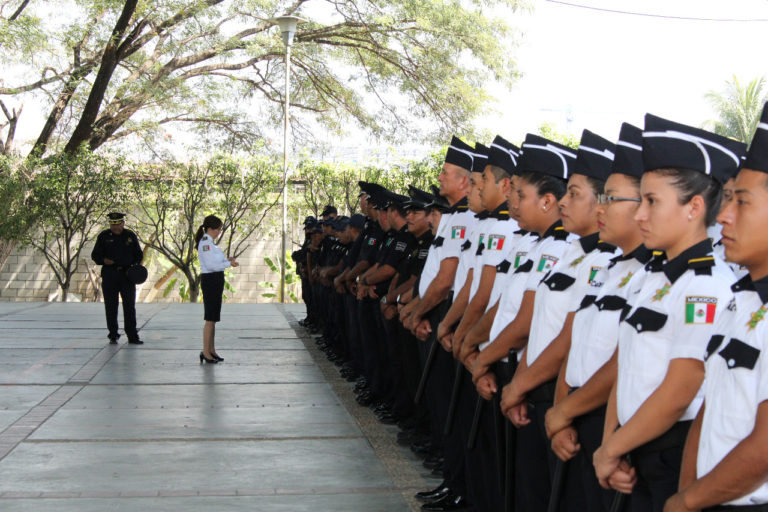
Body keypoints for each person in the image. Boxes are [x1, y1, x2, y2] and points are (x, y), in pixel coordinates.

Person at [593, 113, 746, 512]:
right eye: (641, 200)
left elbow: (681, 390)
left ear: (694, 207)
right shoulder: (654, 276)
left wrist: (612, 449)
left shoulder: (706, 287)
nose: (640, 214)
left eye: (652, 201)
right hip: (631, 449)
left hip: (667, 459)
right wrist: (612, 444)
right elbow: (626, 367)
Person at [663, 102, 768, 512]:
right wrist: (689, 490)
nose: (723, 216)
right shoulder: (742, 299)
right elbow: (711, 404)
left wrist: (688, 500)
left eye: (741, 202)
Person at [91, 212, 144, 345]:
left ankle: (132, 335)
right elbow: (95, 255)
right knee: (111, 305)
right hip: (110, 275)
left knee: (129, 306)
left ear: (123, 223)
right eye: (113, 224)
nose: (115, 227)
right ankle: (113, 334)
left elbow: (139, 254)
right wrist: (104, 260)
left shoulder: (130, 236)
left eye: (118, 224)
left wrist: (134, 267)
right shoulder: (103, 236)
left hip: (127, 276)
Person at [195, 215, 239, 364]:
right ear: (210, 229)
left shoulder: (211, 244)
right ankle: (205, 351)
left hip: (216, 279)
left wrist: (227, 261)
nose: (219, 232)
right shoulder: (205, 243)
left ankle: (211, 349)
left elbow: (216, 262)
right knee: (210, 319)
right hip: (211, 280)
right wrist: (228, 264)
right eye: (218, 229)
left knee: (213, 319)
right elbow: (212, 265)